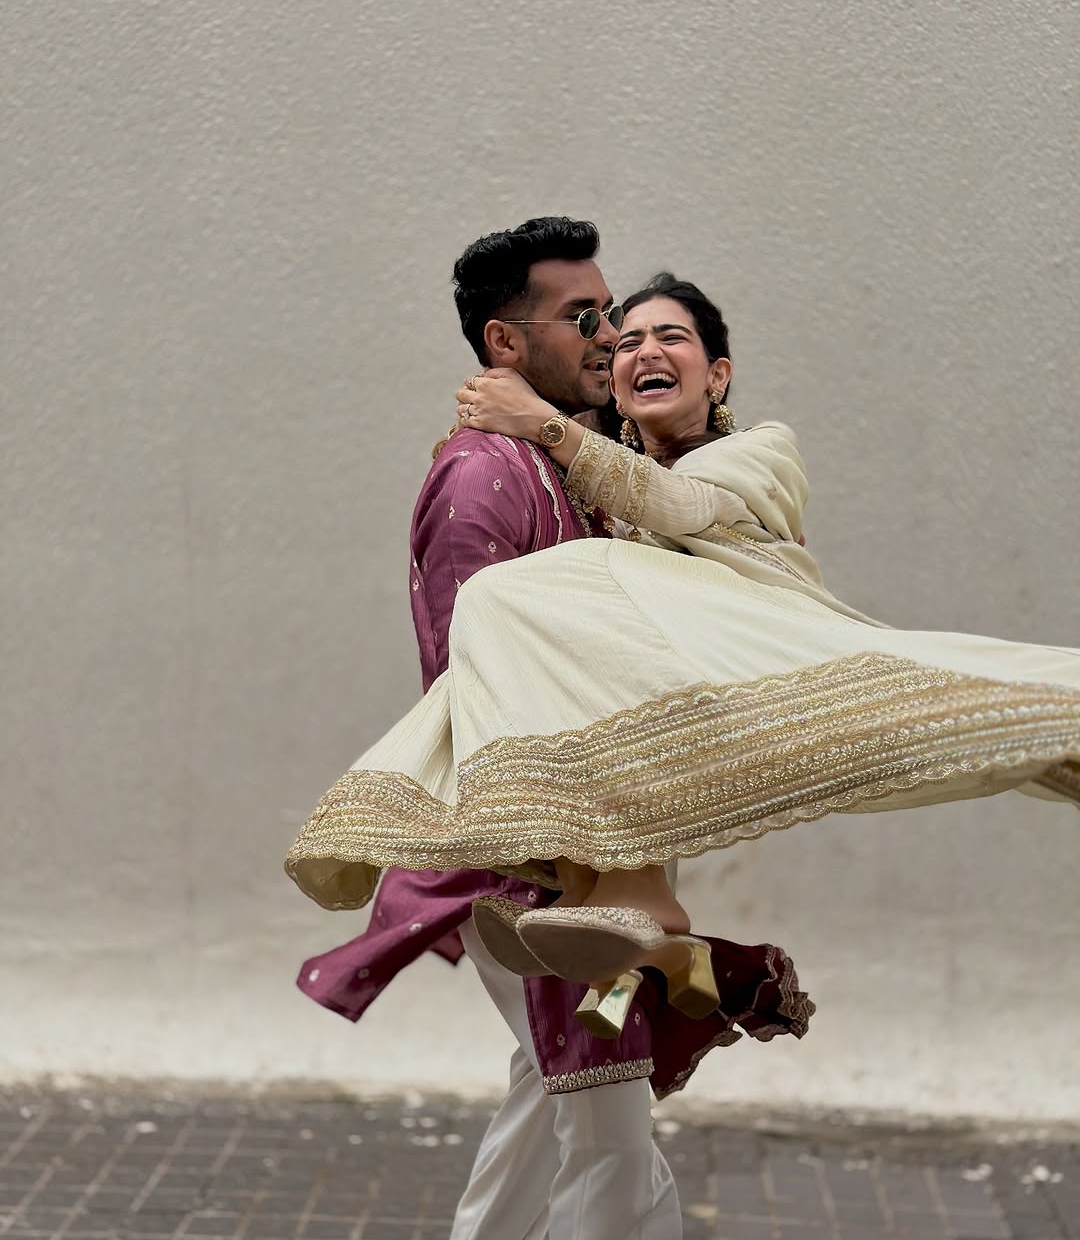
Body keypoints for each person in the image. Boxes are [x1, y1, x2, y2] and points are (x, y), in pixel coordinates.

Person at [294, 231, 812, 1240]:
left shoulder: (585, 472)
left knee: (553, 1096)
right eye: (588, 318)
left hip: (591, 877)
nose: (611, 337)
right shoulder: (486, 479)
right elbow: (468, 679)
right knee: (612, 1132)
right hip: (532, 881)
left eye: (622, 318)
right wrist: (548, 868)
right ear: (504, 341)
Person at [288, 270, 1080, 1009]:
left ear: (718, 375)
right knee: (601, 1015)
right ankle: (654, 955)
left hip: (753, 651)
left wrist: (541, 422)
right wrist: (497, 429)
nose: (644, 351)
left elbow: (679, 506)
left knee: (515, 592)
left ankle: (637, 951)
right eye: (627, 343)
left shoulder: (760, 450)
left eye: (671, 337)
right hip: (657, 734)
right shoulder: (599, 491)